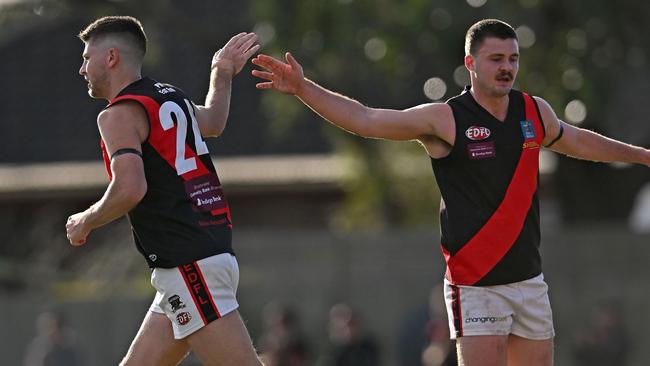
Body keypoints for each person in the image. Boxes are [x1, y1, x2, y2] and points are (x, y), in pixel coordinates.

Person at [251, 18, 650, 366]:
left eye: (513, 59)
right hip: (475, 286)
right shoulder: (446, 119)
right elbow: (366, 119)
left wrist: (643, 156)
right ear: (471, 64)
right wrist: (303, 89)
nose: (507, 68)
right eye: (496, 59)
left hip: (529, 280)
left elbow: (579, 141)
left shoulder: (535, 111)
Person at [65, 16, 262, 366]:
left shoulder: (117, 115)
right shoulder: (169, 97)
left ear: (111, 57)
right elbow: (214, 121)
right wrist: (221, 71)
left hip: (190, 263)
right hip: (198, 259)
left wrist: (86, 220)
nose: (82, 68)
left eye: (86, 57)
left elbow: (130, 187)